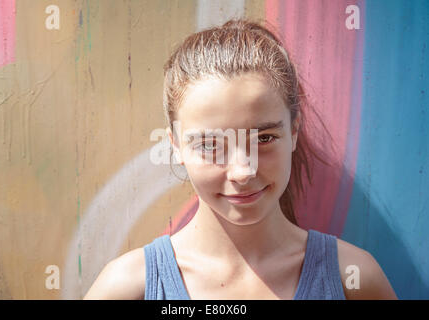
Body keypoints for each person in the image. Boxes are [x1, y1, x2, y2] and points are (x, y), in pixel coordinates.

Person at [84, 18, 397, 300]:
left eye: (263, 139)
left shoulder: (353, 280)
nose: (242, 171)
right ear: (176, 145)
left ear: (294, 132)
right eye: (210, 144)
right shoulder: (128, 287)